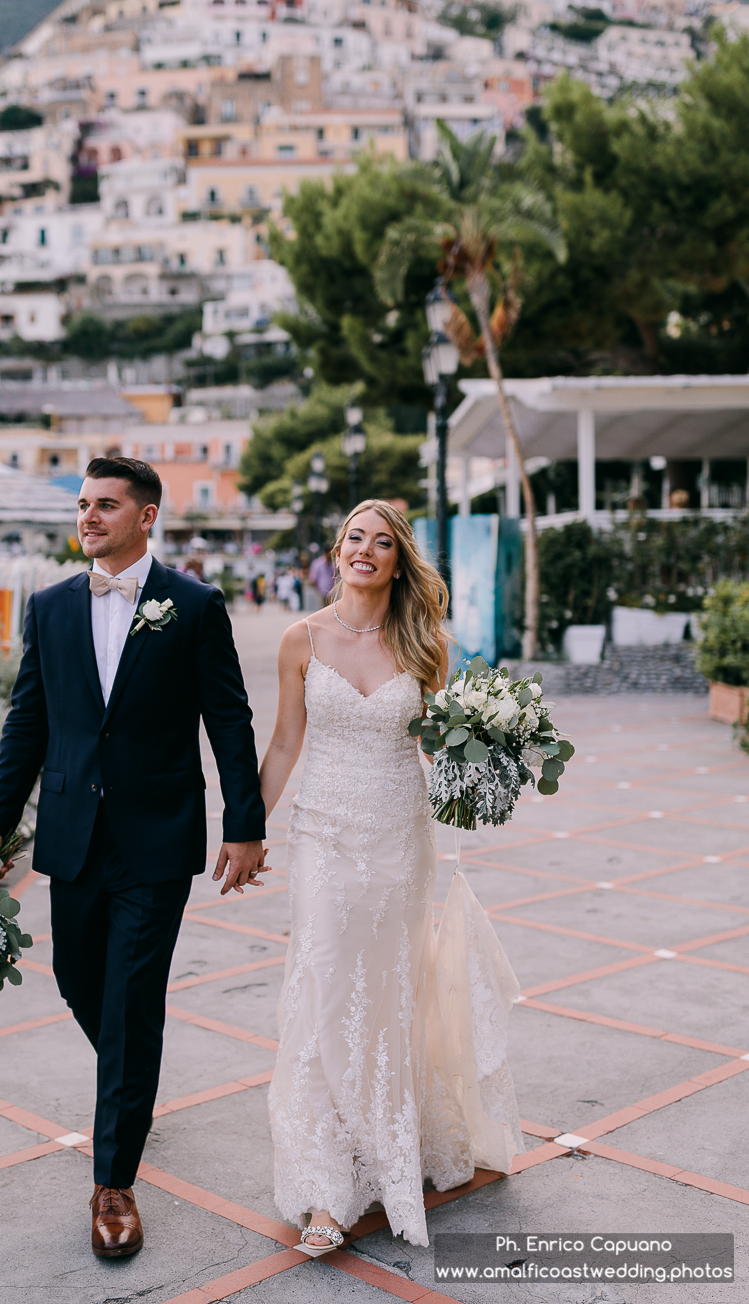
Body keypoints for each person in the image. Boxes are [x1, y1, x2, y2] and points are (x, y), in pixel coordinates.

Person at [0, 457, 267, 1260]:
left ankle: (113, 1182)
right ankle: (129, 1084)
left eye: (106, 505)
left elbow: (229, 719)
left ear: (147, 517)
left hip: (158, 836)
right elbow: (25, 724)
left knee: (132, 992)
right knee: (79, 980)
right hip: (72, 835)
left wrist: (246, 824)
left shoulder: (196, 606)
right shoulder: (51, 607)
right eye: (83, 504)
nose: (89, 516)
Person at [259, 499, 523, 1253]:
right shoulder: (299, 638)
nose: (365, 552)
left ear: (398, 561)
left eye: (381, 543)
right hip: (324, 839)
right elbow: (282, 745)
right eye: (354, 539)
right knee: (325, 988)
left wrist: (492, 764)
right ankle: (325, 1187)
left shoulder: (423, 645)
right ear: (336, 551)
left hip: (401, 843)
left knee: (389, 994)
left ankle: (384, 1144)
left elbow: (443, 752)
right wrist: (244, 827)